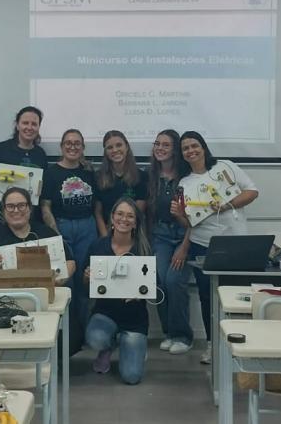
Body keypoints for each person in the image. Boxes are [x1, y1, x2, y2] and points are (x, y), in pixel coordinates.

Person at [171, 131, 258, 364]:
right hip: (202, 245)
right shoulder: (184, 183)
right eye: (185, 148)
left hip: (235, 241)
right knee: (207, 296)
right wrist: (179, 215)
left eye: (194, 145)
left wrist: (227, 205)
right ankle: (212, 345)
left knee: (238, 296)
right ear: (182, 154)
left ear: (203, 147)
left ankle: (241, 344)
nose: (191, 151)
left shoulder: (225, 166)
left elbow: (252, 192)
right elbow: (189, 223)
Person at [84, 197, 152, 385]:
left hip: (135, 320)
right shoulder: (98, 246)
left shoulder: (143, 248)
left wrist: (141, 292)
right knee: (96, 338)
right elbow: (84, 285)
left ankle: (132, 346)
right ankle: (108, 346)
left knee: (132, 377)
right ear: (112, 218)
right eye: (120, 214)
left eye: (130, 216)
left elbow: (156, 285)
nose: (124, 219)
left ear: (136, 223)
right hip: (105, 313)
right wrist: (87, 277)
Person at [40, 129, 97, 329]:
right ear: (62, 147)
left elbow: (96, 204)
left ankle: (83, 330)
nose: (72, 147)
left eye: (77, 143)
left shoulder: (89, 172)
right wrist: (55, 233)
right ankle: (68, 331)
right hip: (61, 226)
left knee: (85, 279)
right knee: (65, 280)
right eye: (68, 143)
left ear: (83, 147)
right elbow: (45, 206)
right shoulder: (51, 173)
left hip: (87, 227)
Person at [0, 187, 75, 286]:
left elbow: (70, 262)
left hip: (46, 292)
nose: (16, 210)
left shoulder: (47, 233)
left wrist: (59, 279)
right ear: (3, 210)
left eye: (21, 205)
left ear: (30, 209)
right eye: (10, 206)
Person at [147, 129, 192, 354]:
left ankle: (183, 336)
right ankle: (169, 332)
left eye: (166, 145)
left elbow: (196, 219)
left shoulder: (188, 178)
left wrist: (184, 247)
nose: (160, 148)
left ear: (175, 150)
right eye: (157, 144)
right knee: (159, 281)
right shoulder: (151, 176)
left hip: (185, 236)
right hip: (160, 235)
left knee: (174, 281)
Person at [0, 106, 48, 234]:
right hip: (0, 218)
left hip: (29, 219)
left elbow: (42, 187)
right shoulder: (0, 150)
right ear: (17, 125)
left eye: (34, 124)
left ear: (38, 127)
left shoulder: (40, 154)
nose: (29, 127)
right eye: (25, 123)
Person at [94, 130, 147, 236]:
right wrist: (106, 238)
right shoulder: (98, 177)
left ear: (126, 147)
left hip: (131, 233)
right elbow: (98, 213)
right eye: (110, 147)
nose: (115, 150)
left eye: (119, 145)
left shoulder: (141, 176)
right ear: (105, 152)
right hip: (106, 232)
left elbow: (138, 212)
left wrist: (124, 236)